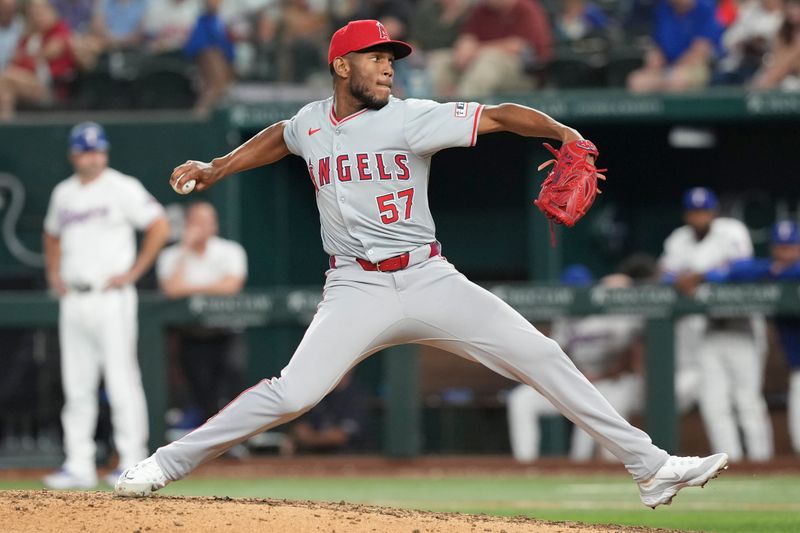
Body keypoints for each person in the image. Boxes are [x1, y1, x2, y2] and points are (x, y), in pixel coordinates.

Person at [115, 19, 728, 508]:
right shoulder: (312, 123)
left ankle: (652, 468)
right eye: (376, 57)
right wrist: (216, 167)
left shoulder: (410, 117)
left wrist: (565, 133)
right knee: (291, 394)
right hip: (355, 287)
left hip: (429, 277)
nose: (388, 66)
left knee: (541, 354)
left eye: (391, 58)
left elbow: (502, 115)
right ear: (341, 66)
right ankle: (165, 463)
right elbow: (280, 134)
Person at [42, 122, 170, 489]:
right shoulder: (63, 193)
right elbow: (51, 234)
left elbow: (159, 225)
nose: (93, 157)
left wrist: (134, 272)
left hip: (111, 296)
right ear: (73, 154)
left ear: (106, 152)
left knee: (121, 380)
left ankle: (131, 461)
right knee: (77, 384)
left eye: (98, 150)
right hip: (74, 297)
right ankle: (78, 464)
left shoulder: (121, 186)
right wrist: (54, 272)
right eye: (86, 150)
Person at [659, 187, 773, 462]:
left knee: (747, 400)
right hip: (706, 331)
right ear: (687, 215)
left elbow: (744, 269)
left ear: (714, 212)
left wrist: (702, 276)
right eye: (695, 212)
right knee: (714, 403)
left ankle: (763, 462)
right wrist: (678, 278)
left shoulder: (731, 230)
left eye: (705, 211)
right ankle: (729, 462)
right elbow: (663, 273)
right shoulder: (679, 239)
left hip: (740, 326)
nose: (700, 217)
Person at [508, 270, 645, 463]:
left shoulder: (613, 316)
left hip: (610, 382)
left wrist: (600, 375)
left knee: (594, 422)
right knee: (521, 399)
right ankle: (525, 464)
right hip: (577, 380)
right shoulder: (565, 319)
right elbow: (553, 354)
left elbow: (632, 353)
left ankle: (604, 468)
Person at [705, 220, 800, 454]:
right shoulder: (769, 271)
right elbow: (736, 271)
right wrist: (772, 270)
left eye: (790, 247)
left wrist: (778, 271)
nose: (784, 253)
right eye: (780, 247)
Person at [156, 201, 248, 425]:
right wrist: (186, 250)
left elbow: (231, 286)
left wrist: (193, 289)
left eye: (209, 221)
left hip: (225, 331)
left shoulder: (230, 250)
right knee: (200, 392)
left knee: (232, 387)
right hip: (192, 335)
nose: (204, 227)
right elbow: (171, 288)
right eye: (198, 222)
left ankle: (236, 442)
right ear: (188, 224)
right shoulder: (171, 255)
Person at [428, 0, 553, 98]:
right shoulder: (481, 10)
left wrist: (476, 50)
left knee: (489, 60)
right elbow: (467, 37)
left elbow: (518, 46)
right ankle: (438, 108)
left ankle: (464, 112)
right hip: (477, 63)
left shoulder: (526, 8)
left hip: (523, 74)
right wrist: (463, 50)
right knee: (441, 59)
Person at [0, 0, 76, 120]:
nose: (37, 16)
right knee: (5, 91)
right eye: (34, 13)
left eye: (41, 12)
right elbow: (15, 60)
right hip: (25, 82)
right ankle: (5, 129)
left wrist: (26, 56)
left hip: (49, 86)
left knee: (4, 77)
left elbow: (48, 53)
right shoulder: (28, 36)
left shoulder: (59, 29)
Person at [627, 0, 723, 93]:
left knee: (677, 80)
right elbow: (659, 45)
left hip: (697, 67)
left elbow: (700, 53)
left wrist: (670, 71)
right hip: (667, 67)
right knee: (637, 81)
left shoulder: (705, 7)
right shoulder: (663, 8)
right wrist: (655, 58)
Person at [282, 371, 370, 455]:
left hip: (351, 458)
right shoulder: (318, 392)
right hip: (314, 457)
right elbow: (300, 428)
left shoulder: (356, 396)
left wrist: (311, 439)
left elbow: (340, 436)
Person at [752, 0, 800, 90]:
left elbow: (791, 60)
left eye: (797, 7)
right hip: (782, 76)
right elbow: (777, 55)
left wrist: (770, 78)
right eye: (790, 7)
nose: (793, 11)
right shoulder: (782, 31)